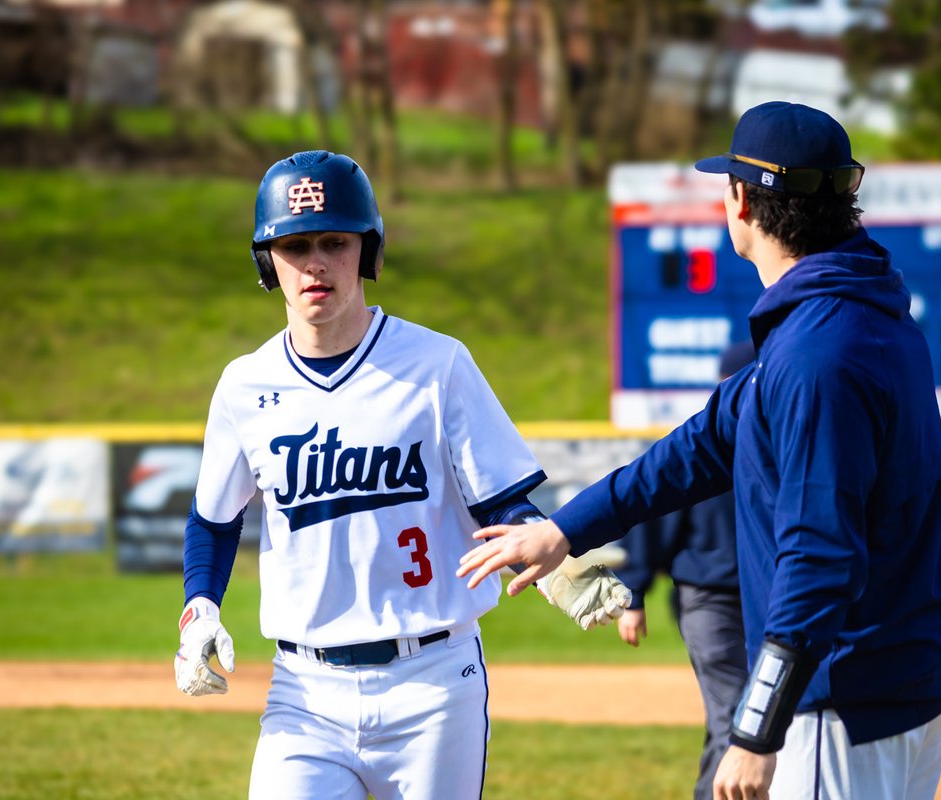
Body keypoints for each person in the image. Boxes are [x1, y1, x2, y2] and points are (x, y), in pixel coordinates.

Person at [458, 102, 941, 800]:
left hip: (842, 699)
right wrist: (563, 531)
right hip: (901, 673)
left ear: (741, 201)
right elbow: (696, 449)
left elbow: (819, 555)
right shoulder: (857, 309)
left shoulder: (819, 352)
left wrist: (757, 732)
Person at [172, 150, 630, 800]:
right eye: (294, 245)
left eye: (335, 242)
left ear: (369, 251)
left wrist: (557, 561)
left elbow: (501, 506)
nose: (315, 263)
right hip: (304, 692)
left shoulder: (438, 365)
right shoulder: (244, 386)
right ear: (267, 261)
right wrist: (199, 608)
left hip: (434, 682)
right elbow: (213, 522)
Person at [613, 339, 754, 800]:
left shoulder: (782, 444)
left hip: (769, 600)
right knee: (736, 716)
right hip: (708, 599)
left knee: (766, 715)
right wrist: (633, 595)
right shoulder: (702, 445)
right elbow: (653, 520)